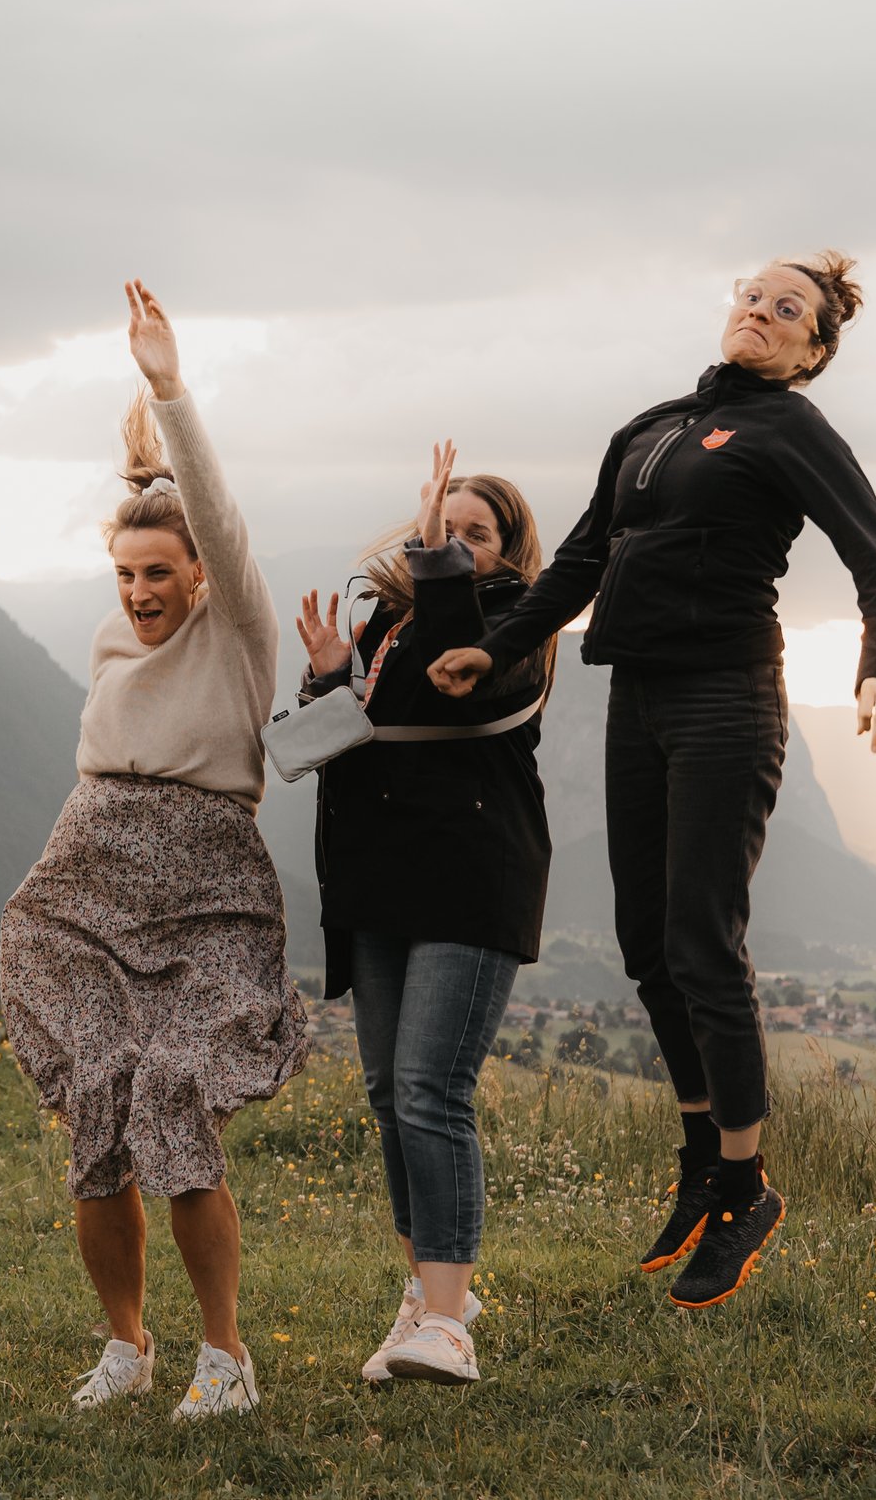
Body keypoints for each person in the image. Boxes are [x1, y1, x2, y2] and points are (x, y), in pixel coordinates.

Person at [430, 251, 876, 1310]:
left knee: (704, 940)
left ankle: (746, 1186)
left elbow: (869, 543)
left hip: (727, 697)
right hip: (638, 693)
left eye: (787, 309)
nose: (760, 311)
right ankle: (703, 1156)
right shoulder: (654, 426)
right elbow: (579, 560)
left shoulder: (791, 429)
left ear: (812, 351)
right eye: (752, 295)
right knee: (646, 942)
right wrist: (497, 647)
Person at [0, 280, 306, 1421]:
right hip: (89, 874)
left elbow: (213, 513)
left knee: (175, 1089)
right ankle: (124, 1344)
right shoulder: (107, 630)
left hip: (207, 884)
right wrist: (139, 475)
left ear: (201, 575)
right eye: (126, 575)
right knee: (99, 1102)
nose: (139, 594)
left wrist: (170, 388)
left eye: (159, 575)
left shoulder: (240, 628)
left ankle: (225, 1357)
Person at [293, 442, 553, 1386]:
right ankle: (425, 1291)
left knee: (430, 1090)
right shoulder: (388, 624)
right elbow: (355, 744)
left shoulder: (513, 624)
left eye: (476, 533)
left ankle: (447, 1321)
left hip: (469, 881)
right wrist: (333, 676)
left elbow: (463, 675)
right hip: (381, 885)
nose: (455, 543)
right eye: (445, 529)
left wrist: (440, 562)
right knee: (386, 1093)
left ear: (510, 552)